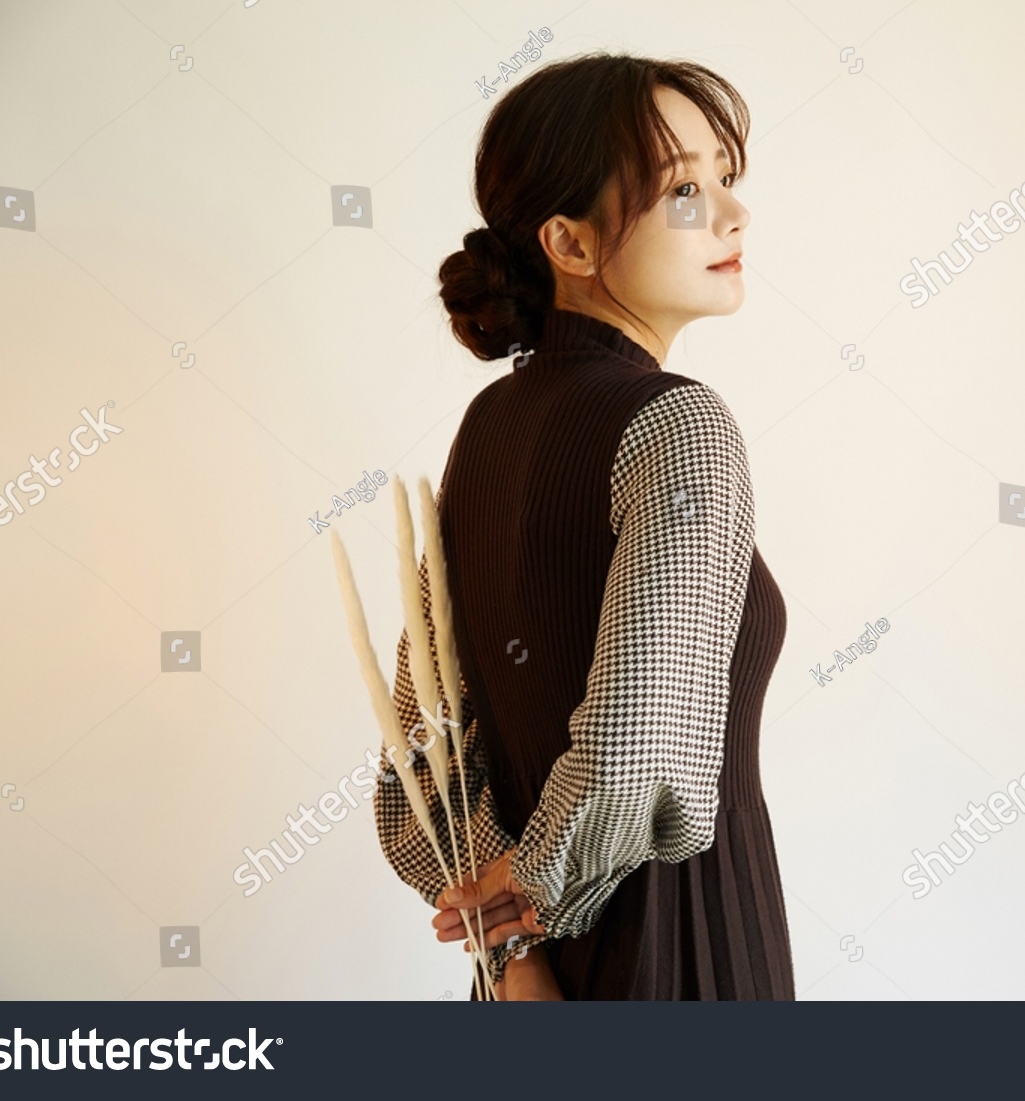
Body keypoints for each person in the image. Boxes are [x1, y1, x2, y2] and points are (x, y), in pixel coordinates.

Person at [373, 50, 794, 1001]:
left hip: (526, 975)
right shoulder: (679, 423)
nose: (733, 213)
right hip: (684, 943)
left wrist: (513, 947)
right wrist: (530, 896)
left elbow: (426, 731)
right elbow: (636, 741)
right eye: (684, 188)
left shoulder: (490, 424)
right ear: (568, 243)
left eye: (728, 179)